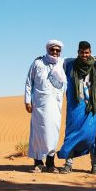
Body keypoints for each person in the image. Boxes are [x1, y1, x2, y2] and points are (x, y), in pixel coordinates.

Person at [57, 41, 96, 174]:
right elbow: (55, 62)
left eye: (87, 53)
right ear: (78, 52)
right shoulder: (69, 64)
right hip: (75, 105)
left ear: (90, 52)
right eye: (82, 52)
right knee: (71, 133)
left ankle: (95, 165)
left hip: (91, 106)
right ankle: (68, 164)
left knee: (91, 134)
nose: (84, 55)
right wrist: (42, 59)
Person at [25, 40, 67, 173]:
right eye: (52, 49)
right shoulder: (38, 63)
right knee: (38, 134)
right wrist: (27, 101)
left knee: (53, 133)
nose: (55, 52)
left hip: (55, 104)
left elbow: (81, 61)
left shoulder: (62, 63)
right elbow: (28, 82)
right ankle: (38, 163)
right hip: (39, 105)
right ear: (47, 49)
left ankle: (50, 163)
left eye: (57, 50)